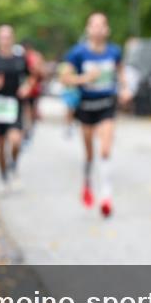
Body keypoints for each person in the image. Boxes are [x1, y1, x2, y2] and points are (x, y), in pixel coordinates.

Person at [59, 13, 132, 217]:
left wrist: (125, 89)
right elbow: (64, 78)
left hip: (107, 105)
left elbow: (121, 72)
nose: (98, 29)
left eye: (102, 25)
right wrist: (84, 78)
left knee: (106, 149)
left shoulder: (114, 52)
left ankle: (106, 195)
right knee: (90, 153)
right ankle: (88, 179)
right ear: (88, 29)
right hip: (85, 107)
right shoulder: (77, 53)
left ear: (107, 30)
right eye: (94, 25)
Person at [0, 25, 32, 193]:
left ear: (13, 38)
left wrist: (26, 87)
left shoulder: (20, 58)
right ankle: (3, 179)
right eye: (2, 37)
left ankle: (14, 165)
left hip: (14, 105)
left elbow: (30, 78)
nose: (5, 40)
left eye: (8, 36)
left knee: (16, 140)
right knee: (1, 146)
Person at [20, 39, 46, 145]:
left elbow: (41, 72)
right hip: (27, 86)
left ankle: (29, 130)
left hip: (33, 87)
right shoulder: (22, 57)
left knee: (31, 109)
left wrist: (35, 71)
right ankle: (27, 129)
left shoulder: (34, 56)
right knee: (28, 109)